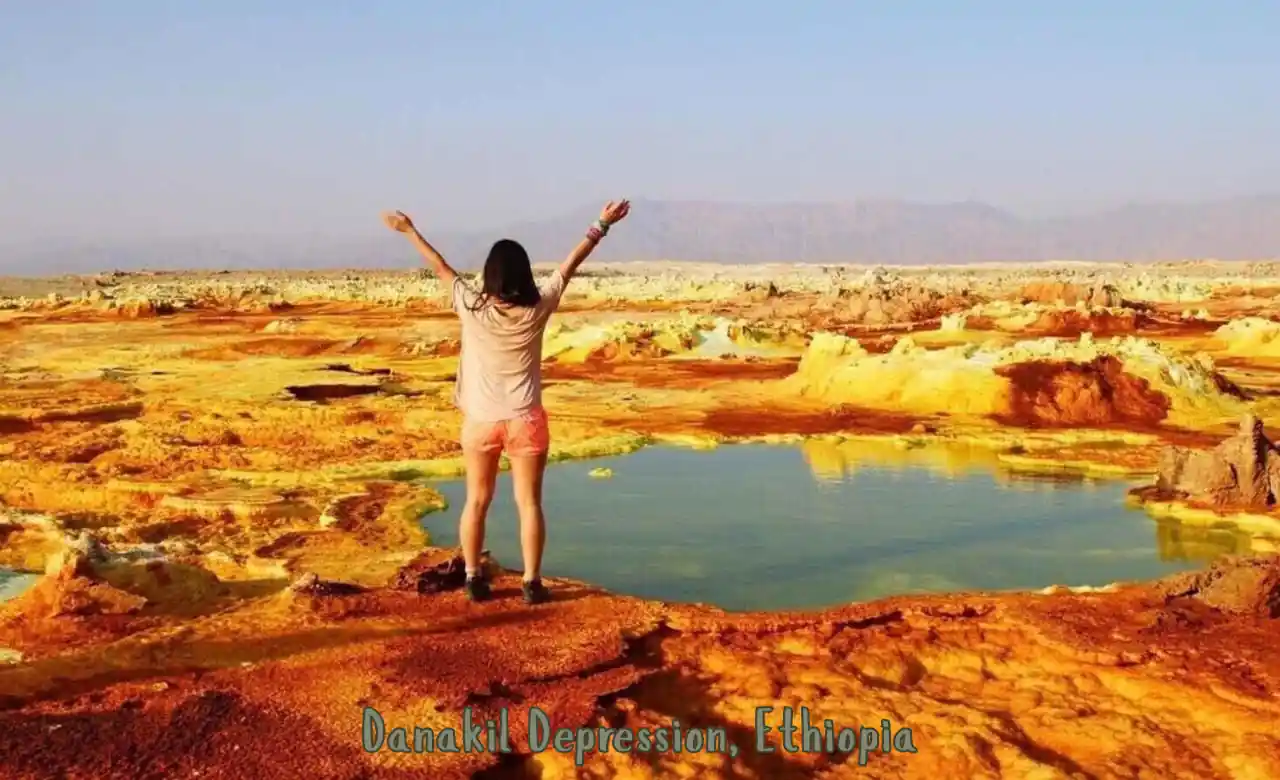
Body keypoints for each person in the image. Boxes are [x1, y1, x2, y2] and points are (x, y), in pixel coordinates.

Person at [381, 200, 632, 603]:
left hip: (481, 421)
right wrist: (602, 224)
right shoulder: (539, 308)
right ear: (524, 273)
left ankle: (472, 577)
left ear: (490, 274)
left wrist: (409, 231)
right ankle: (531, 583)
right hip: (525, 420)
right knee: (529, 503)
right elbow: (570, 265)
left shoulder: (471, 307)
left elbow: (441, 267)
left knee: (476, 500)